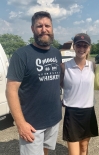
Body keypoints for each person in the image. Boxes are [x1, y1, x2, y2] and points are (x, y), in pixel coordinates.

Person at [6, 11, 62, 155]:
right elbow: (11, 90)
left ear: (52, 28)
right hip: (31, 124)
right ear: (32, 29)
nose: (44, 29)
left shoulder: (56, 53)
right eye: (39, 26)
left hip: (53, 118)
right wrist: (20, 123)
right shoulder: (22, 55)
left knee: (46, 152)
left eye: (47, 26)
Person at [61, 33, 98, 155]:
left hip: (88, 112)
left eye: (85, 46)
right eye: (78, 45)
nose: (81, 49)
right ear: (74, 46)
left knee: (84, 147)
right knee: (74, 152)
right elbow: (59, 85)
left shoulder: (93, 66)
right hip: (72, 113)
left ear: (89, 48)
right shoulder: (64, 67)